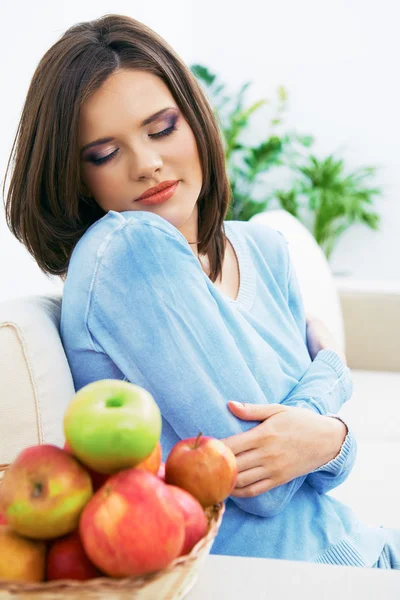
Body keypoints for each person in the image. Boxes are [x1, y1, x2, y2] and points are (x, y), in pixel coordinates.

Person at [3, 14, 399, 570]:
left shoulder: (264, 248)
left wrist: (325, 439)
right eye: (104, 153)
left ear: (194, 121)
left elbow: (301, 452)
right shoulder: (127, 250)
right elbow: (261, 481)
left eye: (161, 127)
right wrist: (333, 374)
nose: (147, 164)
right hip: (299, 577)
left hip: (363, 547)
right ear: (75, 175)